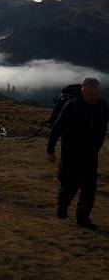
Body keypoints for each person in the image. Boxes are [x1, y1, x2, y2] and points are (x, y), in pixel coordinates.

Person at [47, 77, 108, 230]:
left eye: (95, 94)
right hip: (71, 154)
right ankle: (63, 204)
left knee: (89, 188)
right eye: (89, 94)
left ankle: (83, 218)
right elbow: (57, 128)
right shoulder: (71, 106)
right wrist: (50, 150)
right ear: (82, 92)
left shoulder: (102, 106)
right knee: (70, 185)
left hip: (91, 154)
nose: (93, 97)